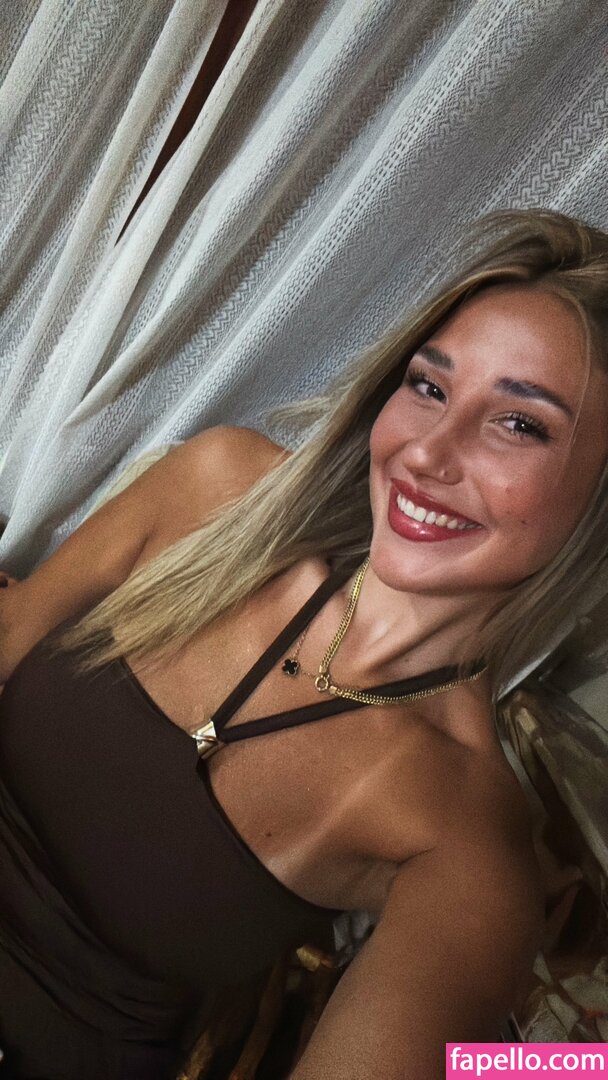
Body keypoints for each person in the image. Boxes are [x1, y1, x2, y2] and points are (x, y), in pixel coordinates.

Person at [0, 206, 607, 1080]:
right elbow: (12, 636)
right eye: (430, 387)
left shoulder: (463, 843)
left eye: (520, 424)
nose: (426, 453)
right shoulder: (220, 491)